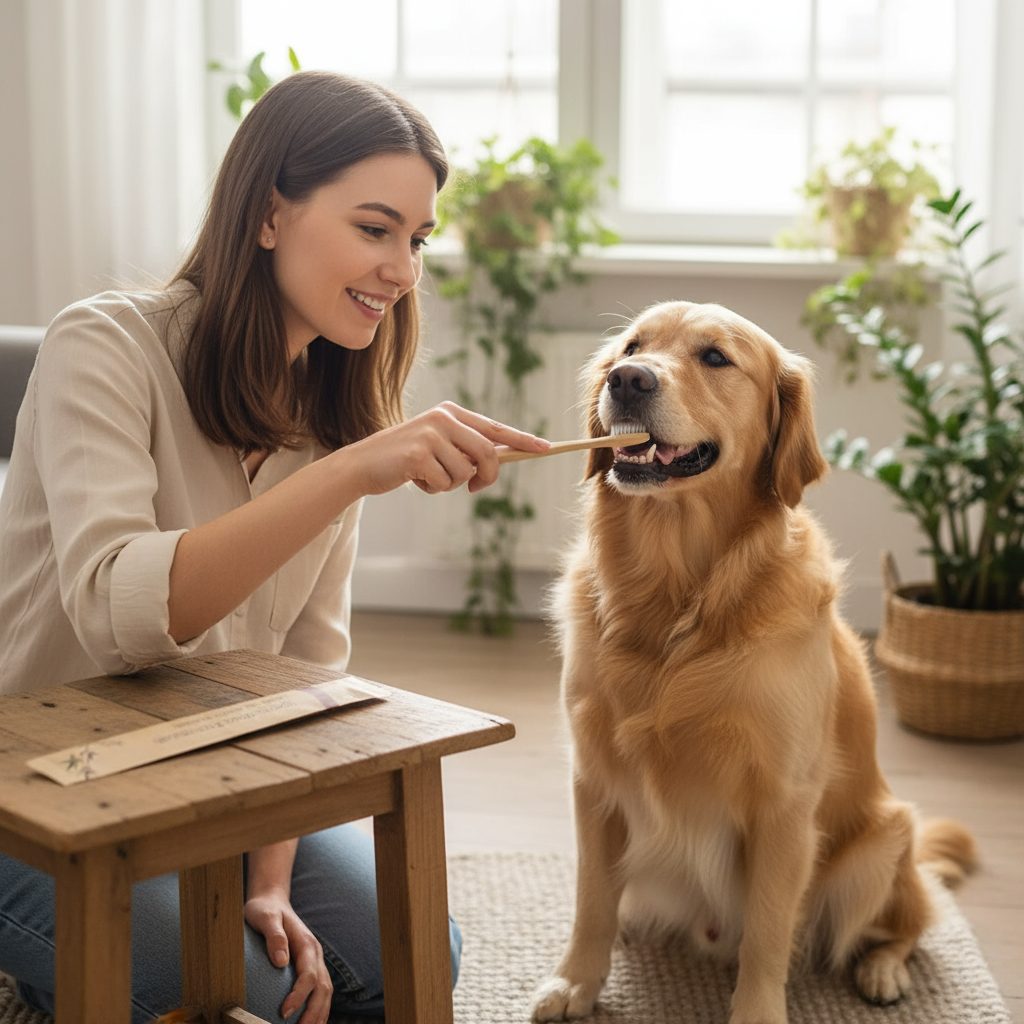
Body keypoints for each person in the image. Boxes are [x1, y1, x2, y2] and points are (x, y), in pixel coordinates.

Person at [0, 70, 549, 1024]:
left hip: (186, 774)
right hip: (31, 784)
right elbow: (125, 612)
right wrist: (349, 474)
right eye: (374, 229)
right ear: (267, 215)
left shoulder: (334, 419)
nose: (404, 271)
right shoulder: (104, 346)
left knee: (416, 955)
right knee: (229, 989)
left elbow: (298, 678)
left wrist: (266, 879)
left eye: (416, 241)